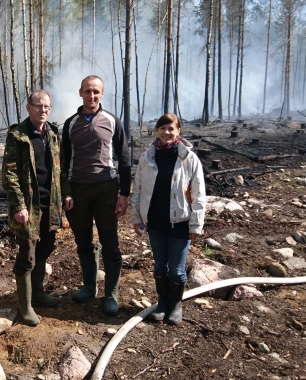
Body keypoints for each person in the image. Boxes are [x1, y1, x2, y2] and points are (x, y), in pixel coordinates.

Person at [61, 75, 131, 317]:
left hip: (106, 189)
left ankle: (111, 293)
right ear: (80, 92)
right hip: (78, 190)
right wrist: (67, 192)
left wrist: (124, 193)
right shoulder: (70, 124)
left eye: (96, 92)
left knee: (110, 242)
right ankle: (89, 286)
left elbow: (124, 159)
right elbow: (63, 162)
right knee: (83, 241)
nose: (92, 96)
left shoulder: (112, 121)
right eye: (88, 91)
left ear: (102, 94)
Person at [2, 90, 73, 326]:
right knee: (27, 257)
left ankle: (39, 294)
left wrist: (66, 194)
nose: (43, 110)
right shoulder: (18, 135)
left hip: (50, 204)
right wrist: (19, 205)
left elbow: (59, 169)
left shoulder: (52, 134)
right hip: (28, 208)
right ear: (28, 108)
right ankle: (26, 307)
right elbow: (9, 173)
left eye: (47, 106)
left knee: (45, 249)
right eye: (39, 106)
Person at [130, 113, 206, 325]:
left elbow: (199, 194)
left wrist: (196, 225)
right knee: (160, 267)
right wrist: (137, 218)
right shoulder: (147, 158)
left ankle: (175, 305)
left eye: (171, 128)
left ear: (179, 131)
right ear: (157, 131)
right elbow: (138, 190)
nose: (167, 132)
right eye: (163, 128)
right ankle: (163, 302)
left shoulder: (189, 159)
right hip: (155, 221)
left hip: (180, 222)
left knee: (177, 269)